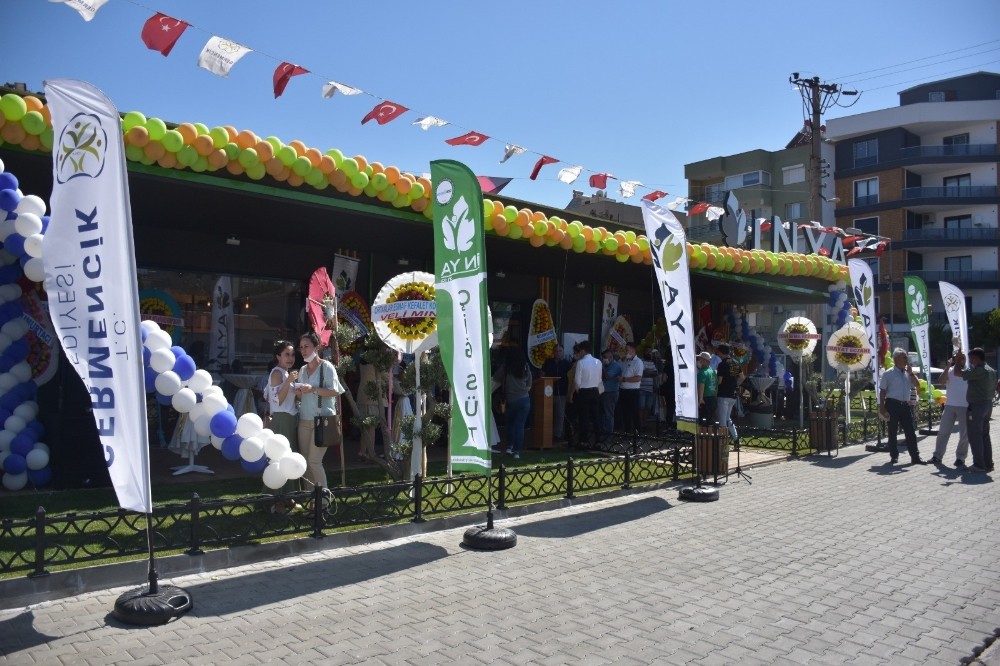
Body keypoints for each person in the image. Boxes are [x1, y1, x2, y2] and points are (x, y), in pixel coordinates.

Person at [295, 332, 345, 490]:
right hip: (305, 419)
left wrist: (313, 389)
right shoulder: (302, 370)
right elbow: (302, 397)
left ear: (316, 347)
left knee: (314, 461)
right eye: (301, 347)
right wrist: (297, 392)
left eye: (307, 347)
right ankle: (310, 500)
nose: (303, 350)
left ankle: (323, 501)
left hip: (322, 420)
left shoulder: (327, 367)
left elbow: (335, 391)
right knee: (305, 461)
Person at [265, 340, 300, 511]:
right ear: (278, 356)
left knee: (289, 456)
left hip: (290, 418)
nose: (291, 358)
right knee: (279, 458)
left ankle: (288, 497)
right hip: (281, 419)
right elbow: (277, 400)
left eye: (293, 354)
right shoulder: (277, 373)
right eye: (287, 354)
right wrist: (289, 382)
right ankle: (275, 499)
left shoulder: (287, 374)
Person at [878, 348, 927, 465]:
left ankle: (915, 457)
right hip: (892, 404)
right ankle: (894, 456)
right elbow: (883, 391)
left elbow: (917, 384)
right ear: (896, 359)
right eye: (904, 357)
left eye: (906, 357)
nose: (906, 359)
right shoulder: (888, 373)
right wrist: (882, 407)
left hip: (906, 405)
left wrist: (910, 373)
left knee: (910, 431)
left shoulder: (907, 373)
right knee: (892, 431)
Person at [954, 347, 996, 473]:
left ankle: (979, 465)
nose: (970, 361)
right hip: (987, 405)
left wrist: (957, 361)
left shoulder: (980, 370)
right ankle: (988, 464)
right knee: (984, 435)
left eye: (971, 358)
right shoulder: (991, 370)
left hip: (977, 406)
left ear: (976, 358)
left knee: (974, 436)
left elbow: (957, 373)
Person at [930, 350, 969, 467]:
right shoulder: (950, 371)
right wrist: (947, 367)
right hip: (950, 405)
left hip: (965, 406)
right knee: (943, 432)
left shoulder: (969, 371)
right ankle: (937, 456)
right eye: (957, 358)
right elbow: (941, 381)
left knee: (964, 434)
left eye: (961, 358)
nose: (959, 360)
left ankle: (960, 458)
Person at [493, 347, 532, 459]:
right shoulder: (525, 366)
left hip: (510, 400)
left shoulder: (506, 367)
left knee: (510, 424)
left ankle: (509, 447)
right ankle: (517, 452)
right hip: (525, 400)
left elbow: (496, 377)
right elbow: (529, 385)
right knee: (520, 426)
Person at [356, 355, 387, 461]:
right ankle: (371, 453)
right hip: (373, 397)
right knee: (371, 427)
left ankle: (362, 451)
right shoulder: (376, 363)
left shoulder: (362, 362)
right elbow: (386, 376)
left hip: (362, 396)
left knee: (364, 427)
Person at [572, 340, 602, 447]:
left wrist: (578, 390)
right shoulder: (598, 362)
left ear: (583, 351)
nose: (578, 353)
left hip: (584, 391)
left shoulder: (581, 363)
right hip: (595, 390)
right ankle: (598, 440)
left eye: (579, 351)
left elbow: (577, 381)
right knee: (595, 416)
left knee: (583, 417)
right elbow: (599, 379)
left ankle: (583, 440)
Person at [715, 343, 744, 444]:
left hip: (723, 394)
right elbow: (742, 377)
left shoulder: (722, 364)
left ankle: (723, 442)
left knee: (722, 419)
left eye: (718, 352)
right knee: (727, 418)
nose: (717, 354)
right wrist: (735, 385)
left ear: (722, 353)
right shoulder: (736, 363)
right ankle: (736, 439)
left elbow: (719, 381)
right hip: (733, 394)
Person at [541, 344, 571, 442]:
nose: (558, 353)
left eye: (560, 351)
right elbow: (543, 375)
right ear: (553, 352)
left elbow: (570, 378)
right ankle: (546, 434)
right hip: (548, 393)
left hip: (561, 392)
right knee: (548, 414)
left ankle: (557, 435)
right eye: (556, 351)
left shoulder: (567, 363)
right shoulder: (548, 362)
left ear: (563, 352)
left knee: (559, 414)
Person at [620, 342, 643, 434]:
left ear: (633, 350)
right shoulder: (626, 361)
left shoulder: (638, 362)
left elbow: (638, 378)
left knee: (634, 412)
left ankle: (638, 432)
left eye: (627, 349)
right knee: (625, 413)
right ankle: (627, 432)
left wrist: (624, 379)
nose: (625, 351)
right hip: (623, 391)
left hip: (632, 392)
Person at [600, 348, 623, 437]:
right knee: (603, 414)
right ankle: (603, 432)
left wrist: (601, 368)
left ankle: (609, 435)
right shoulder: (605, 365)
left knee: (608, 414)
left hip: (611, 393)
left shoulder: (615, 366)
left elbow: (608, 376)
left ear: (610, 357)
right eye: (603, 357)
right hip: (603, 392)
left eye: (605, 357)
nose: (604, 359)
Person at [639, 349, 660, 426]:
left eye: (650, 352)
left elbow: (655, 373)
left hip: (650, 389)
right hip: (642, 388)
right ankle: (640, 424)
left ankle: (645, 424)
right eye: (647, 352)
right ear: (644, 353)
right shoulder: (640, 362)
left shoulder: (652, 363)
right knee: (641, 407)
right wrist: (650, 373)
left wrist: (648, 372)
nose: (649, 353)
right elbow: (643, 373)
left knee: (648, 407)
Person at [696, 351, 718, 426]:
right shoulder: (712, 371)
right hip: (713, 399)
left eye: (699, 359)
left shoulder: (702, 372)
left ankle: (705, 437)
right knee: (709, 421)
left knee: (703, 422)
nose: (698, 360)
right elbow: (716, 385)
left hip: (705, 400)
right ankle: (711, 436)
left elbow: (701, 386)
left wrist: (700, 399)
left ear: (704, 360)